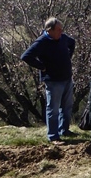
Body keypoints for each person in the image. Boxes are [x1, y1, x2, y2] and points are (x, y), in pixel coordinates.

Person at [21, 17, 76, 145]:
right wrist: (42, 67)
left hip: (67, 77)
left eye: (62, 29)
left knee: (67, 107)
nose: (61, 32)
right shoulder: (42, 42)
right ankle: (53, 136)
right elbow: (26, 56)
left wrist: (68, 57)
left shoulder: (62, 38)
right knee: (53, 109)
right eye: (58, 30)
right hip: (53, 80)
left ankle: (64, 130)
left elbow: (72, 43)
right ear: (49, 30)